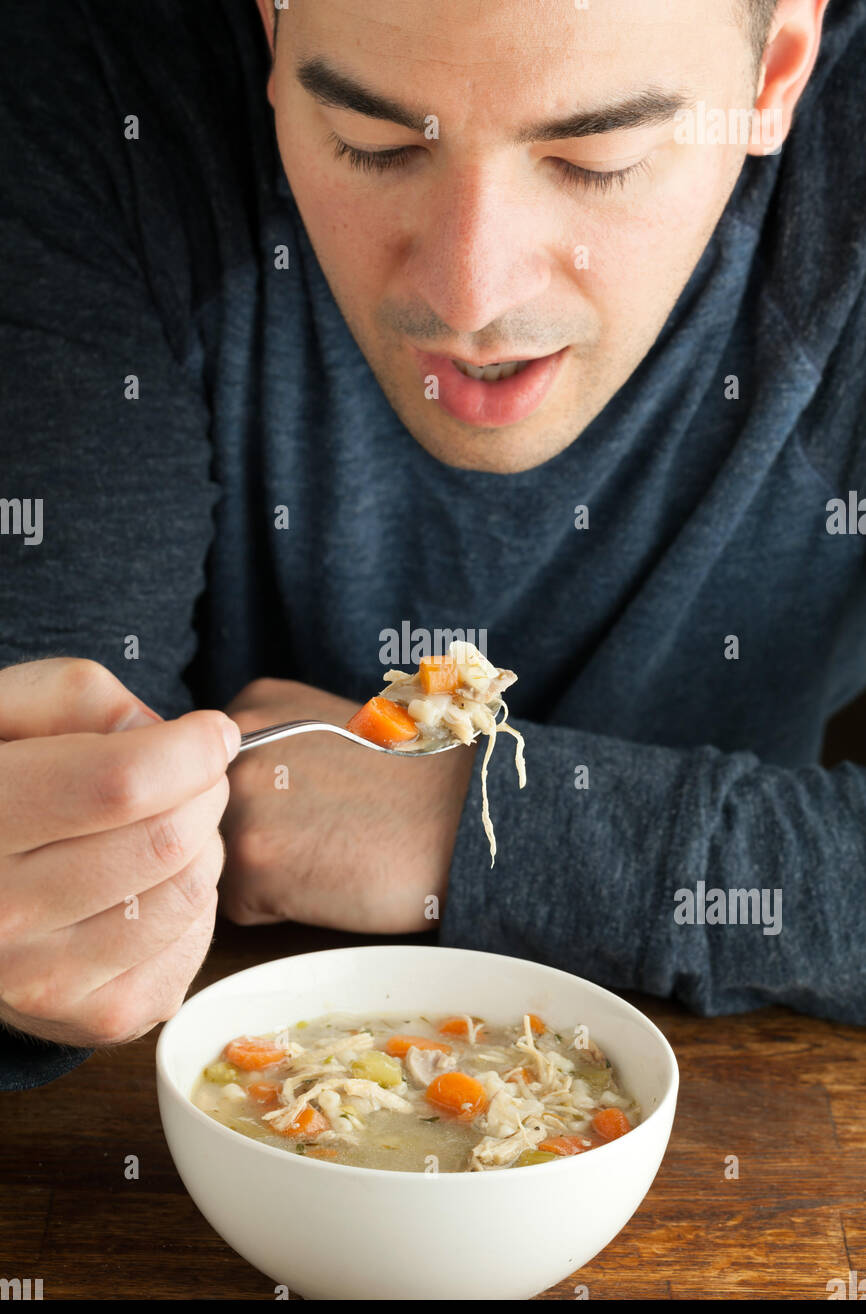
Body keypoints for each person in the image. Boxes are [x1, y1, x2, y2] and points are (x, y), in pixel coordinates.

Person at [1, 0, 864, 1093]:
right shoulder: (83, 90)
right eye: (373, 141)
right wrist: (46, 928)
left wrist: (469, 820)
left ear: (774, 73)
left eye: (596, 156)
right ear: (271, 29)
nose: (470, 296)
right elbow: (37, 772)